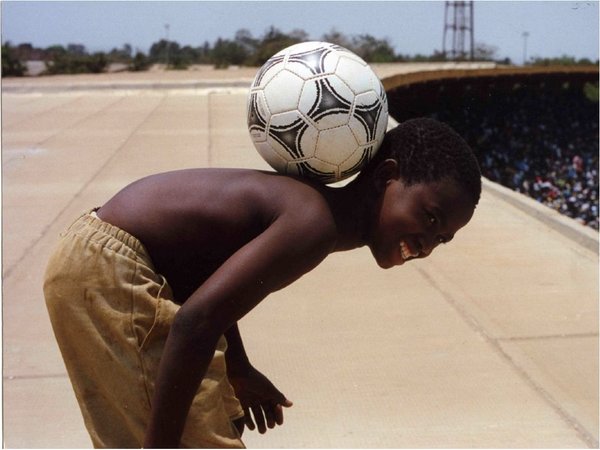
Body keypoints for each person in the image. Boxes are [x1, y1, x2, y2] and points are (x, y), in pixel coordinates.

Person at [43, 117, 481, 448]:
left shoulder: (311, 213)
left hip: (100, 261)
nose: (429, 243)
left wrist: (238, 367)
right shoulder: (315, 224)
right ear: (387, 177)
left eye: (442, 238)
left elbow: (207, 283)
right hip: (109, 267)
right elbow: (195, 322)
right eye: (430, 218)